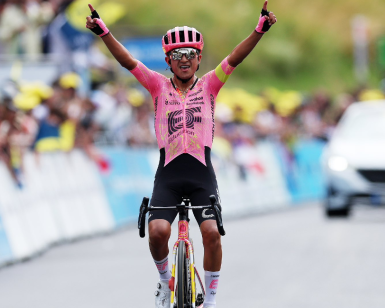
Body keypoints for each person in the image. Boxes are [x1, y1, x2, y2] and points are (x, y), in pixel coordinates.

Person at [86, 2, 277, 307]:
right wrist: (104, 32)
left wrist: (259, 30)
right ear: (168, 60)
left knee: (212, 234)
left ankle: (211, 300)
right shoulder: (157, 86)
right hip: (169, 176)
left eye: (190, 54)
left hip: (202, 175)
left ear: (199, 59)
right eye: (177, 55)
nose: (184, 60)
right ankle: (165, 283)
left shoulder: (211, 85)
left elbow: (235, 58)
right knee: (158, 231)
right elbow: (128, 61)